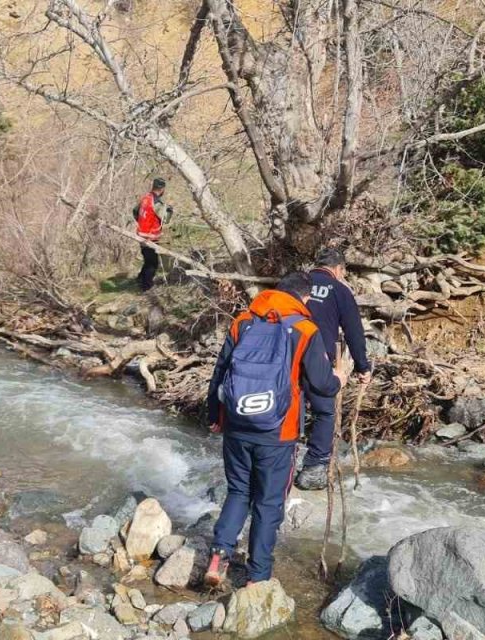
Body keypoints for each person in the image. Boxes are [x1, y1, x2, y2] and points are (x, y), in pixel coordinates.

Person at [202, 272, 347, 587]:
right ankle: (257, 576)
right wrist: (339, 379)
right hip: (278, 433)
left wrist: (214, 415)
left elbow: (220, 371)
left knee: (239, 491)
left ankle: (219, 555)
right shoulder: (305, 329)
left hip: (236, 425)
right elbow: (322, 385)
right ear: (305, 297)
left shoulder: (243, 322)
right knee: (268, 503)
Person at [293, 247, 372, 491]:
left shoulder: (296, 283)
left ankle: (285, 456)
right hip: (320, 358)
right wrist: (363, 367)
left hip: (287, 356)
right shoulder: (339, 289)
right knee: (325, 411)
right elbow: (354, 331)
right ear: (338, 269)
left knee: (290, 404)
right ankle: (314, 466)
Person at [134, 178, 170, 291]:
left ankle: (140, 278)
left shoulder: (145, 198)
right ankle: (146, 286)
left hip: (141, 234)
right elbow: (166, 219)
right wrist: (170, 210)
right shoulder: (157, 203)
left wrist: (142, 222)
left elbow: (135, 211)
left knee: (147, 259)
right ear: (162, 189)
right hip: (150, 237)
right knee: (153, 263)